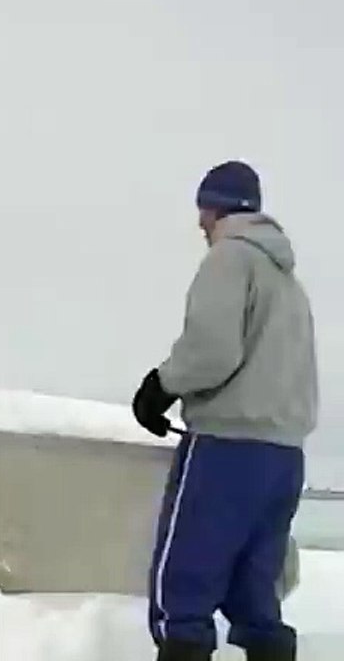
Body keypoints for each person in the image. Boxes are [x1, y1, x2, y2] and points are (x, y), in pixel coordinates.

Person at [132, 161, 318, 661]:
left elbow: (212, 350)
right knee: (255, 595)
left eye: (203, 209)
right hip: (284, 458)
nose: (199, 222)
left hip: (226, 450)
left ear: (218, 208)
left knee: (183, 590)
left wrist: (160, 387)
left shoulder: (229, 259)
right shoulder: (289, 284)